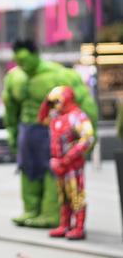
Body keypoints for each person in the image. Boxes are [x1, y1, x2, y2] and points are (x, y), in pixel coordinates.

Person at [2, 39, 98, 228]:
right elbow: (10, 109)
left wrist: (88, 137)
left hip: (54, 132)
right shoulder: (14, 78)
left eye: (24, 59)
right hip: (27, 131)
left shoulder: (60, 74)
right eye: (17, 60)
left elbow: (85, 104)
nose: (22, 64)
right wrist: (12, 133)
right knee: (28, 171)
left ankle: (51, 213)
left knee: (52, 172)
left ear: (35, 54)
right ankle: (31, 209)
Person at [38, 86, 94, 240]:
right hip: (59, 165)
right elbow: (42, 119)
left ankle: (79, 227)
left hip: (73, 165)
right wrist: (46, 102)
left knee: (76, 194)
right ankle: (65, 225)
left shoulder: (77, 116)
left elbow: (88, 138)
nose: (55, 104)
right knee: (63, 196)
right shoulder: (56, 116)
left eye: (58, 100)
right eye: (54, 102)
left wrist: (68, 157)